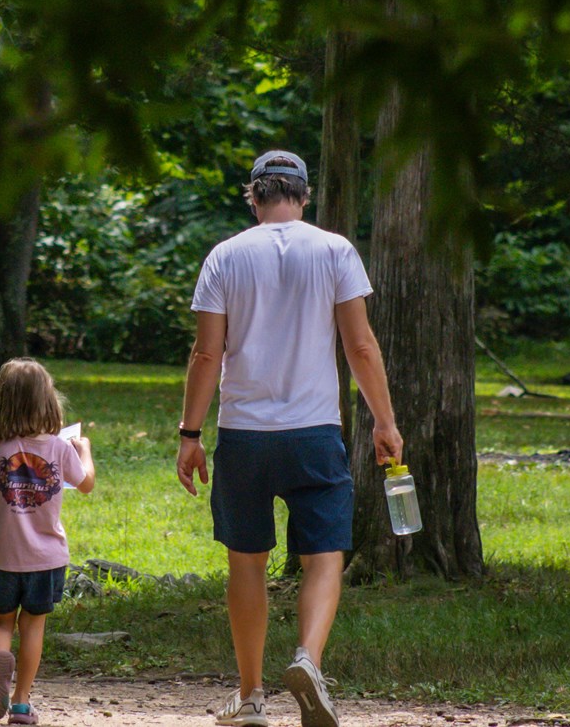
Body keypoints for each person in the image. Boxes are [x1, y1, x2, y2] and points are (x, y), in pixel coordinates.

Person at [175, 150, 403, 727]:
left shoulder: (224, 256)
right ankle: (308, 660)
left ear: (253, 196)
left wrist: (190, 434)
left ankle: (250, 697)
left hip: (244, 435)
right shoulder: (335, 250)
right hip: (315, 432)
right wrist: (385, 421)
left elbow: (206, 353)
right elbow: (360, 346)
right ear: (305, 196)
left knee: (246, 563)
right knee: (324, 557)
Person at [0, 358, 95, 726]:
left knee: (0, 623)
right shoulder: (61, 449)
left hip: (3, 557)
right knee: (34, 627)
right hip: (47, 559)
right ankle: (23, 704)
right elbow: (86, 483)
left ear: (3, 402)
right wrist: (85, 450)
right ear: (48, 401)